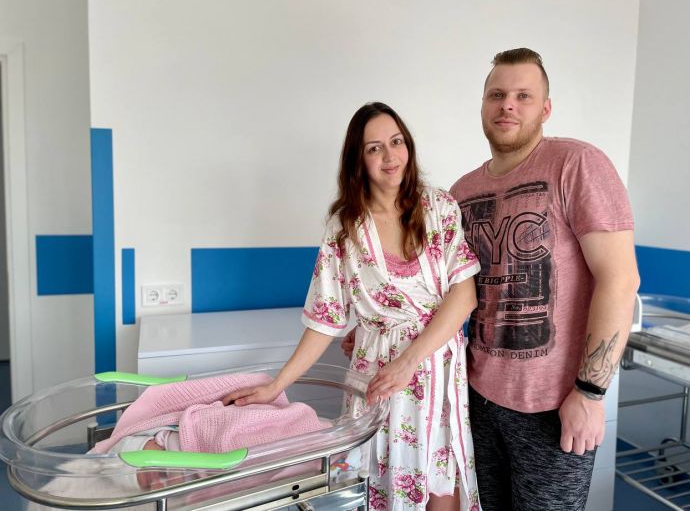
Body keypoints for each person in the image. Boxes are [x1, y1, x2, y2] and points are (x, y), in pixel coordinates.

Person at [222, 102, 482, 511]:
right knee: (384, 487)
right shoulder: (346, 229)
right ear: (358, 160)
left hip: (437, 367)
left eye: (396, 142)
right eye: (374, 148)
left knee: (442, 487)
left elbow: (464, 295)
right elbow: (324, 320)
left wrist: (409, 360)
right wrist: (276, 385)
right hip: (377, 377)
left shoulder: (439, 207)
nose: (390, 156)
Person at [448, 48, 640, 510]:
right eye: (497, 95)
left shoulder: (576, 164)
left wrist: (590, 393)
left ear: (545, 108)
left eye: (523, 96)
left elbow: (620, 280)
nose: (507, 105)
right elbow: (452, 295)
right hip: (477, 397)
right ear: (483, 106)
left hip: (555, 406)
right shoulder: (461, 192)